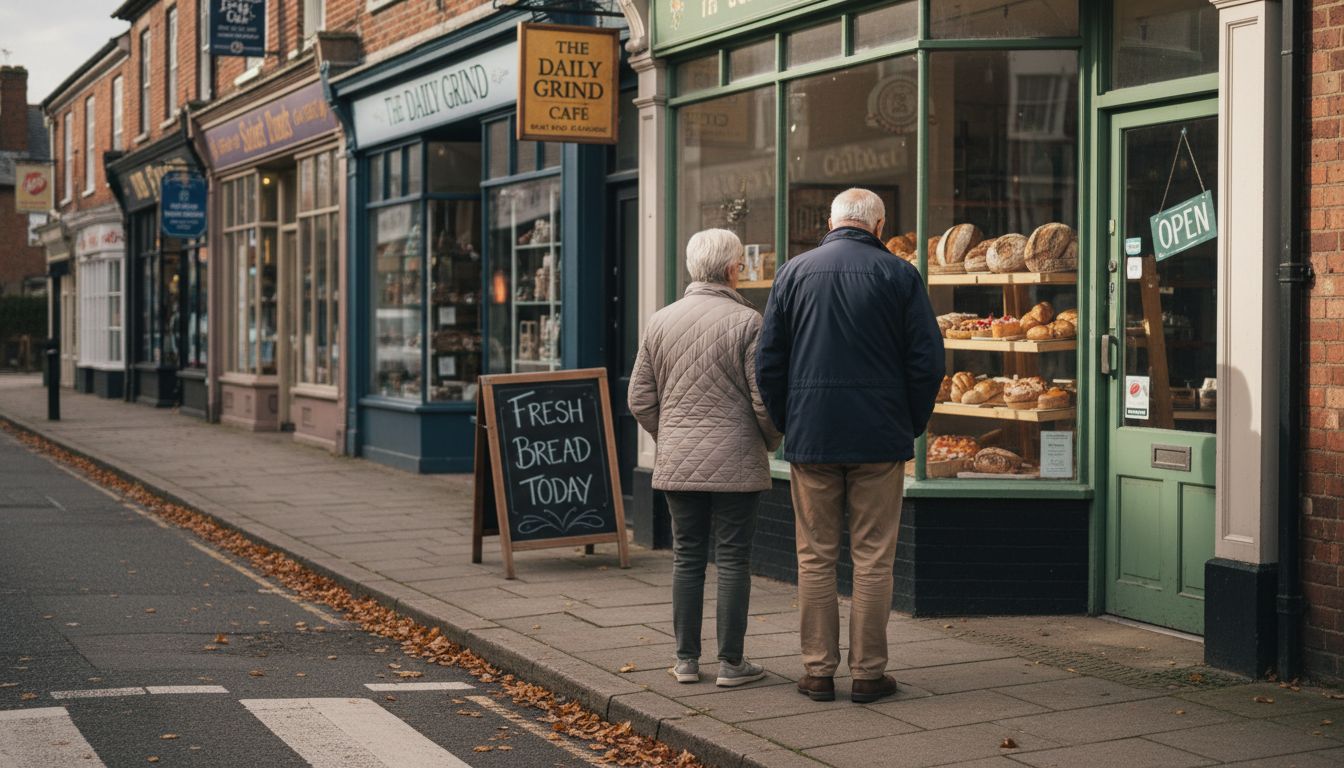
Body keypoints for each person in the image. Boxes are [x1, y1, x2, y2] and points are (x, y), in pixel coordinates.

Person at [756, 188, 943, 703]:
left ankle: (817, 672)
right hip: (879, 436)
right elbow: (927, 362)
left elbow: (768, 361)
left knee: (814, 556)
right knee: (873, 559)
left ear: (832, 222)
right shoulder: (901, 275)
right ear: (878, 225)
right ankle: (868, 674)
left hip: (812, 436)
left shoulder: (794, 272)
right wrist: (908, 422)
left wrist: (789, 420)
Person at [629, 228, 782, 688]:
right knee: (734, 559)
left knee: (687, 557)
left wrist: (672, 436)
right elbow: (765, 401)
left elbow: (640, 398)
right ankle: (732, 665)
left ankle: (686, 662)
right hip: (736, 459)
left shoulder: (660, 321)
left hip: (678, 462)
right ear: (734, 268)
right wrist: (768, 441)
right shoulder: (748, 323)